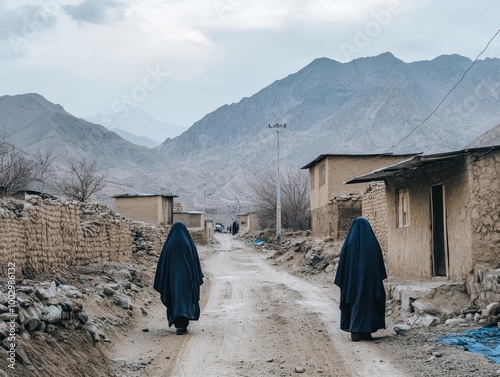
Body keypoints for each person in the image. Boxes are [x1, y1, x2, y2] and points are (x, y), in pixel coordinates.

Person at [334, 217, 387, 342]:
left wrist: (347, 279)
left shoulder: (349, 243)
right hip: (369, 283)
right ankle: (366, 331)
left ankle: (355, 331)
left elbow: (343, 264)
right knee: (368, 304)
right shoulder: (372, 243)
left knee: (354, 303)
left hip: (351, 283)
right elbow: (379, 264)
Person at [153, 222, 204, 335]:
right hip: (188, 281)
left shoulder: (169, 244)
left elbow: (163, 265)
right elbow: (195, 263)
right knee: (185, 300)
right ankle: (183, 324)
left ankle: (178, 325)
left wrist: (165, 279)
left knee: (174, 300)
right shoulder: (189, 244)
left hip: (172, 281)